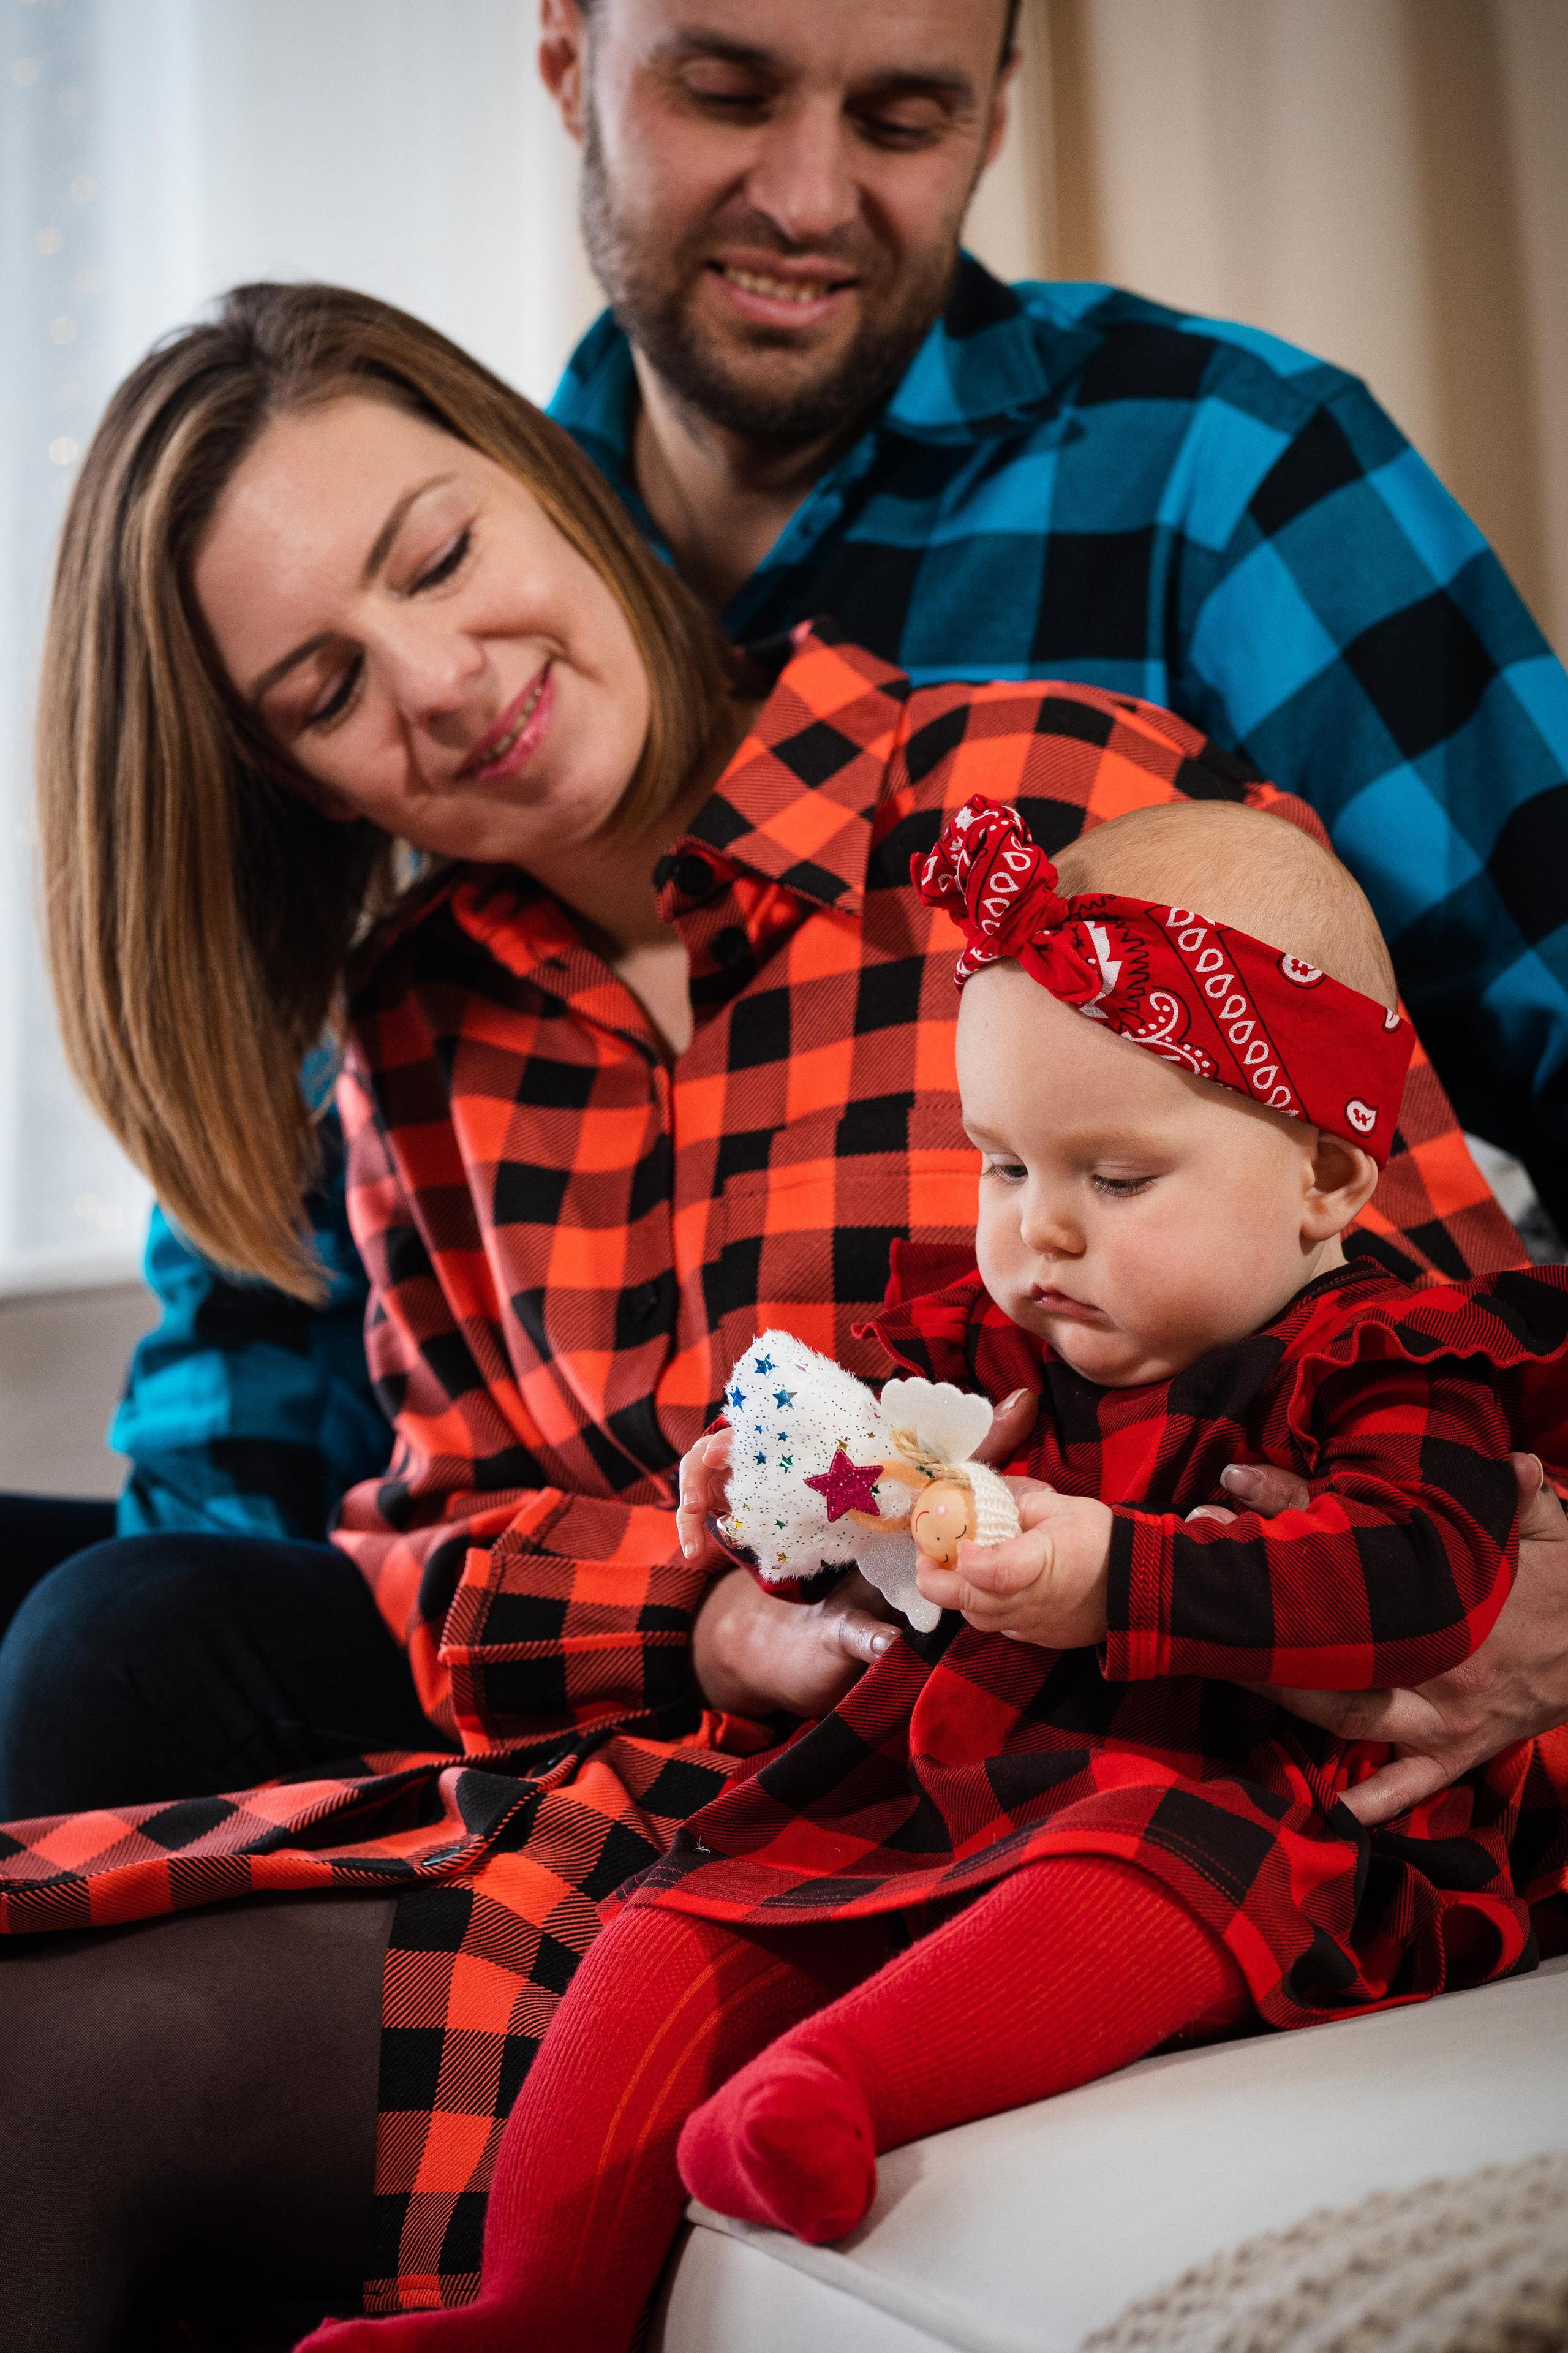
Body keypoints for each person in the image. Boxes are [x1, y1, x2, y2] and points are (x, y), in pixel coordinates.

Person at [0, 280, 1535, 2341]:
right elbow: (433, 1559)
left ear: (545, 476)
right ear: (283, 772)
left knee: (84, 2069)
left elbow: (1427, 1297)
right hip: (686, 1779)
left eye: (440, 554)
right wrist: (696, 1601)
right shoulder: (410, 1036)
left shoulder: (1035, 799)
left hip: (1091, 1785)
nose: (440, 685)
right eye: (322, 689)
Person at [7, 0, 1564, 1833]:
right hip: (611, 1646)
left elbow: (1444, 1235)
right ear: (570, 60)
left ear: (999, 104)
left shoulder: (1174, 569)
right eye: (725, 88)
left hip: (1092, 1632)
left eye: (900, 111)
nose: (807, 197)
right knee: (101, 1631)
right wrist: (639, 1617)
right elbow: (282, 1379)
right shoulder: (413, 870)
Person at [293, 794, 1568, 2353]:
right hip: (955, 1755)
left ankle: (826, 2091)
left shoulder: (1387, 1357)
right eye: (998, 1162)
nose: (1037, 1233)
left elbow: (1416, 1576)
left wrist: (1113, 1573)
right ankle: (535, 2303)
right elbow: (876, 1444)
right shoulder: (1004, 1327)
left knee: (1140, 1865)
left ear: (1320, 1174)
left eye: (1112, 1178)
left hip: (1250, 1799)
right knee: (682, 1905)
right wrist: (775, 1481)